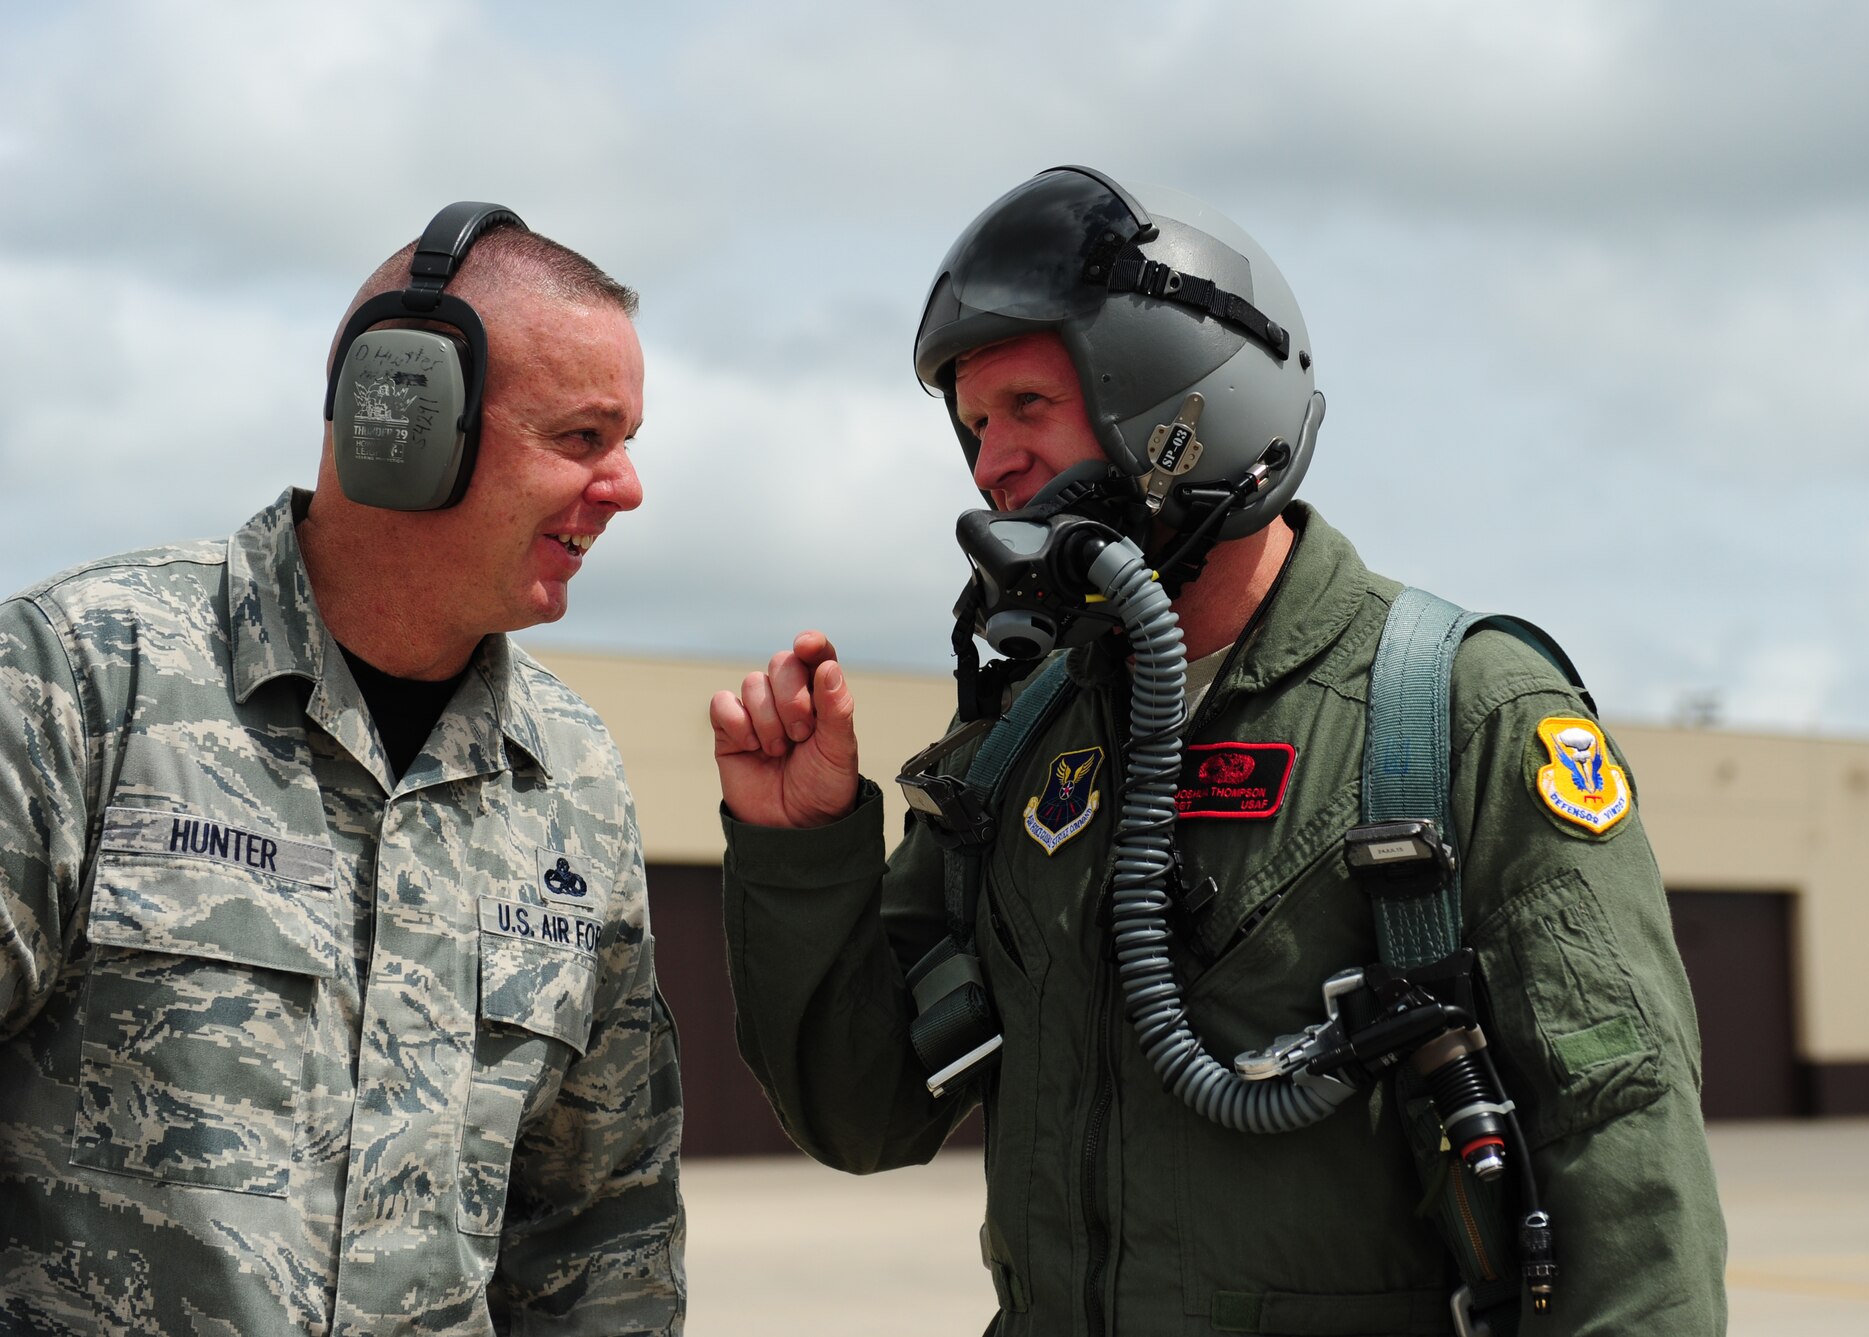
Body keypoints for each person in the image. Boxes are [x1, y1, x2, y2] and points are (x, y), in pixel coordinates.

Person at [714, 167, 1725, 1335]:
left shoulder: (1463, 712)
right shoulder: (1018, 750)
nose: (991, 464)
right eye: (975, 424)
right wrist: (796, 848)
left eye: (1029, 407)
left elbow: (1623, 1147)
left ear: (1179, 403)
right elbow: (863, 1113)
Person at [0, 205, 685, 1335]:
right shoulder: (78, 679)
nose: (625, 484)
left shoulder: (569, 778)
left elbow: (597, 1229)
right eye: (582, 437)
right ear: (405, 423)